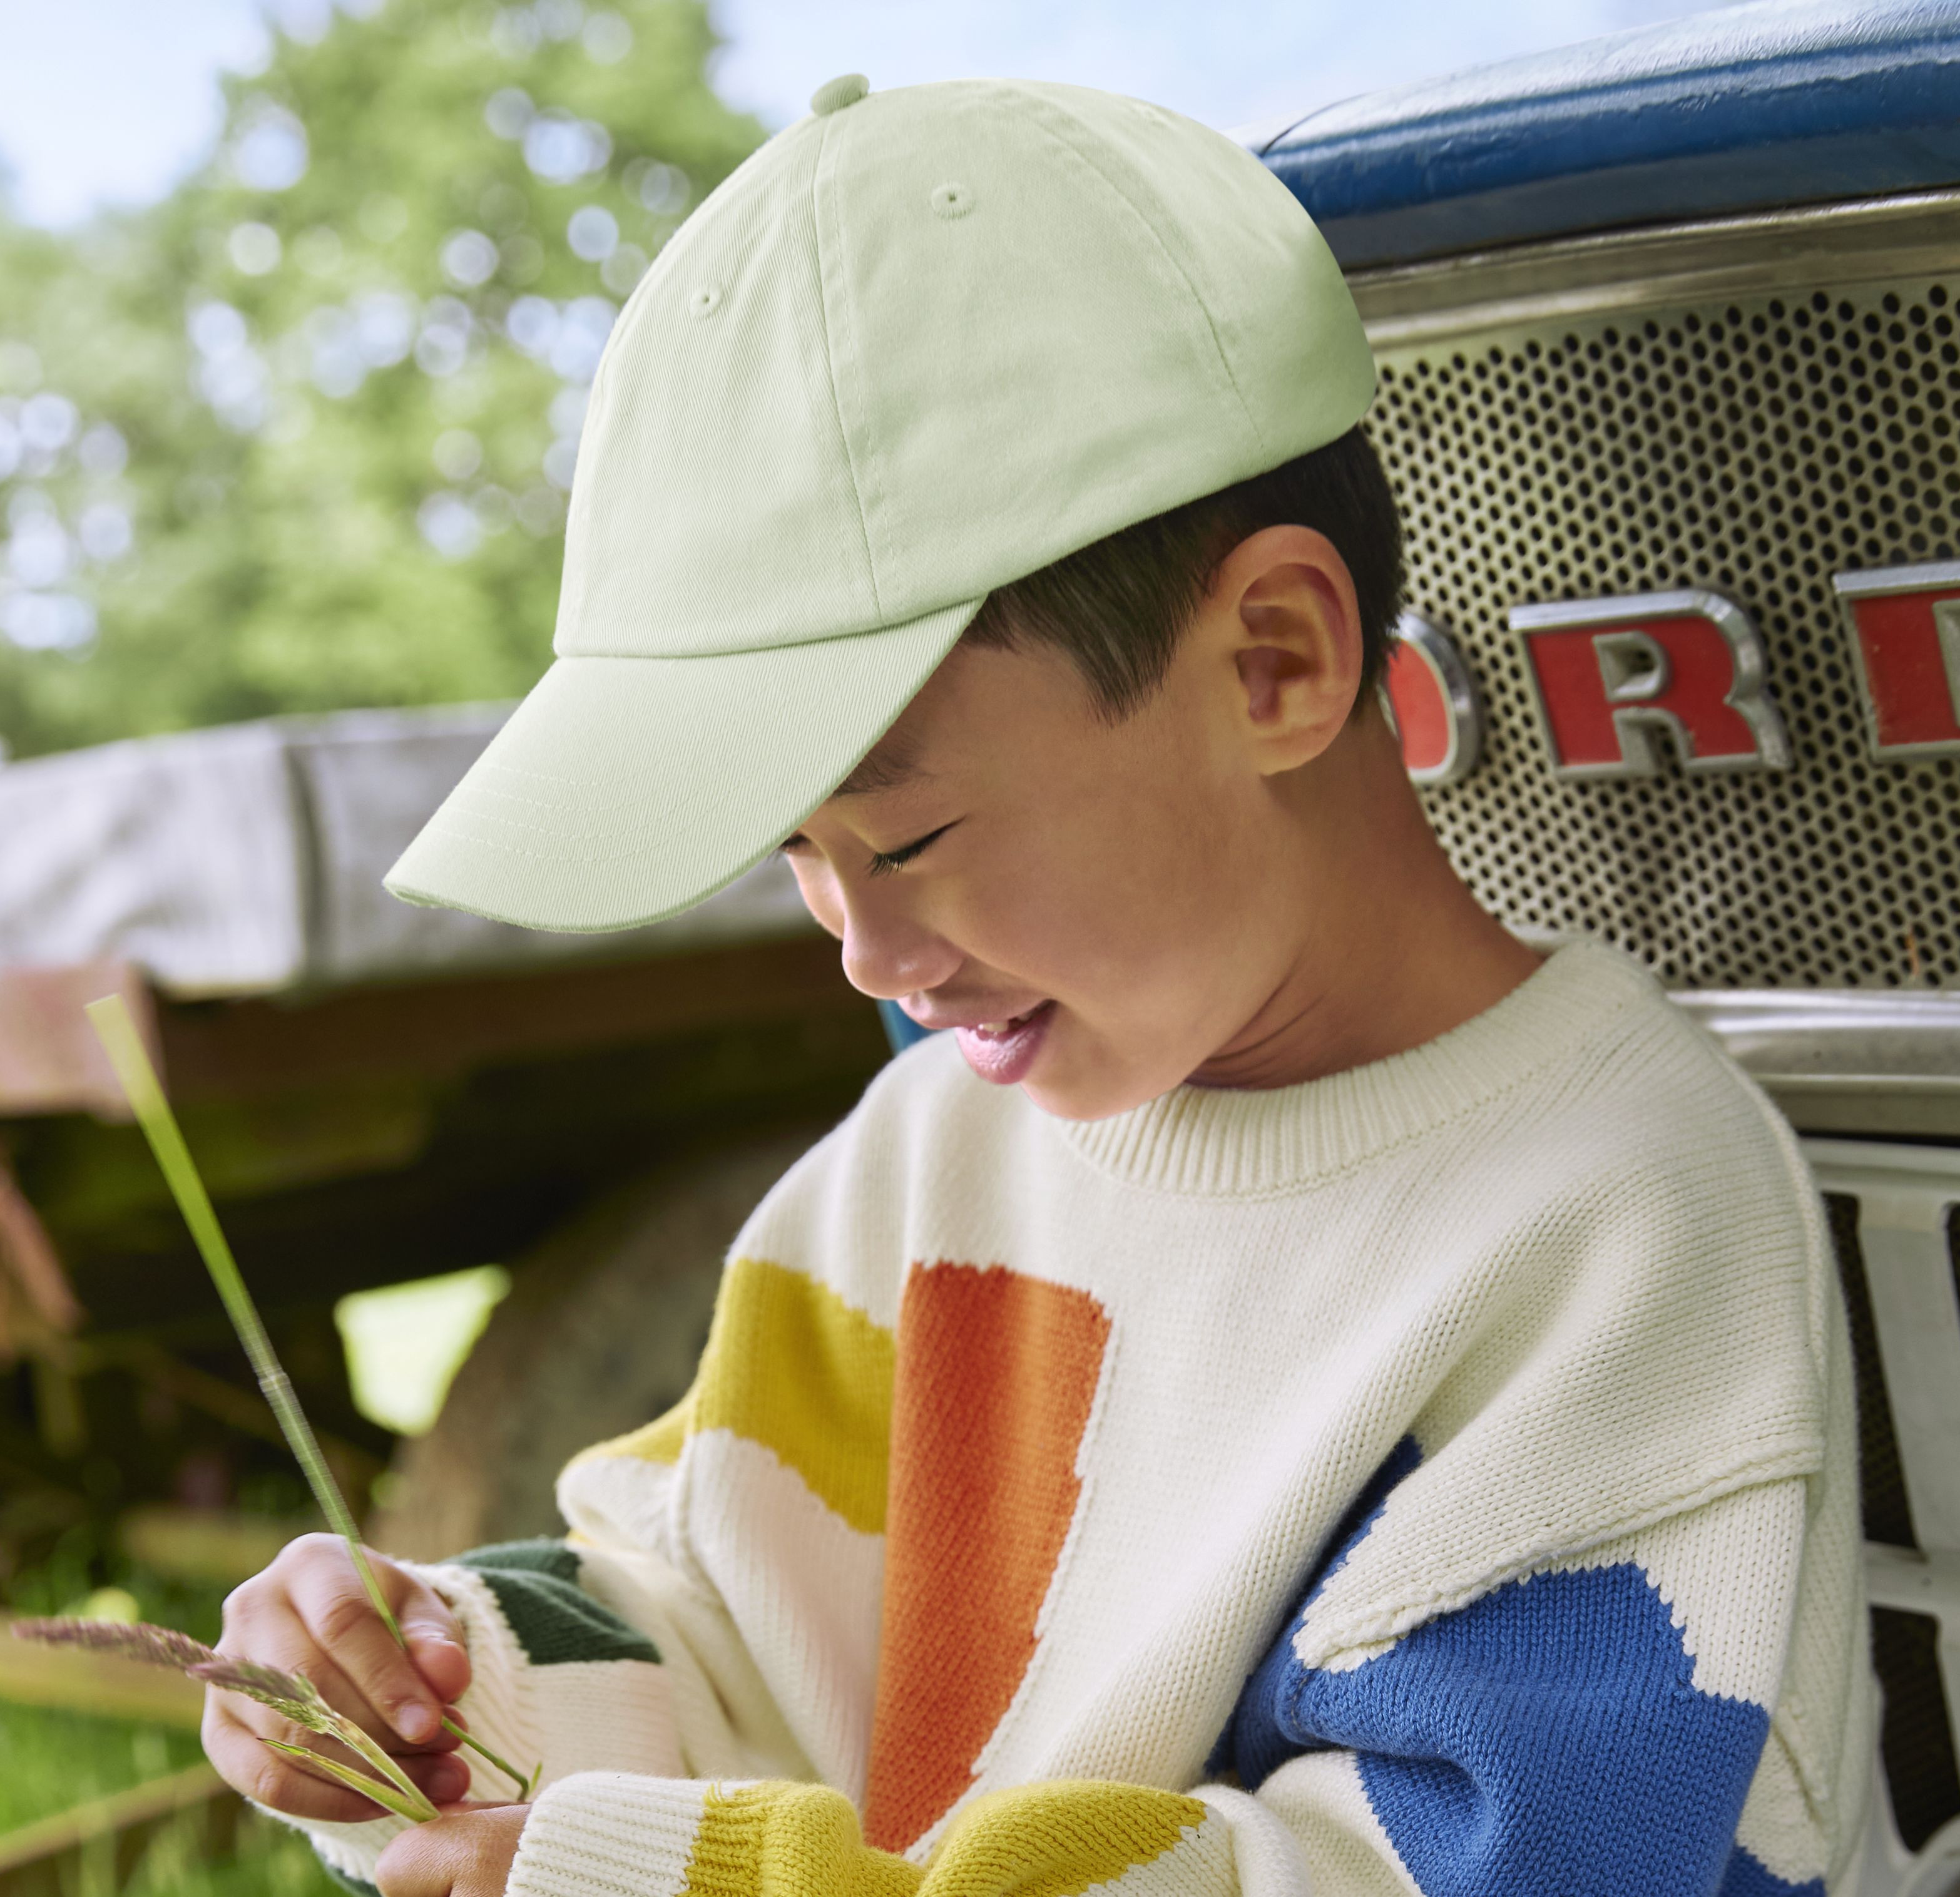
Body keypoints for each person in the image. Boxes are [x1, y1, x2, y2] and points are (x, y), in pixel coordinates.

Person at [205, 73, 1871, 1897]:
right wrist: (441, 1688)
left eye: (908, 839)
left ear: (1275, 662)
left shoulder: (1610, 1228)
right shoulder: (922, 1164)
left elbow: (1464, 1866)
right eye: (798, 855)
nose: (866, 952)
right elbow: (719, 1615)